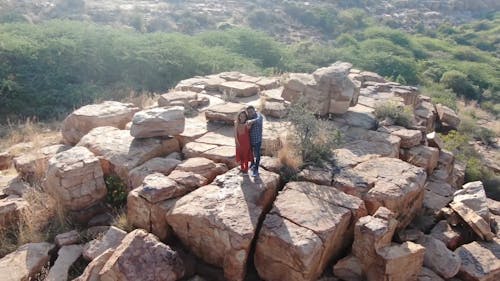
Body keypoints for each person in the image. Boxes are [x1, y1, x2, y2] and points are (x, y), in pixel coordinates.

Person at [245, 105, 263, 177]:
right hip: (249, 140)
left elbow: (258, 119)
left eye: (251, 111)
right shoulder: (248, 117)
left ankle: (256, 170)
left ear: (254, 110)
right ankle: (252, 164)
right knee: (250, 153)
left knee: (257, 155)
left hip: (257, 140)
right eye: (248, 112)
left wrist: (251, 121)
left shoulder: (259, 116)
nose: (250, 113)